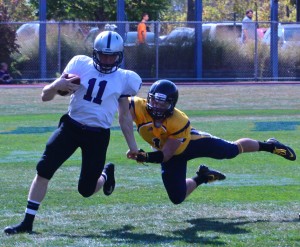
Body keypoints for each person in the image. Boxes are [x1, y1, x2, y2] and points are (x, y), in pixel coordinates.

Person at [4, 30, 142, 235]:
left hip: (98, 135)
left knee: (86, 190)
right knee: (44, 169)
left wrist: (133, 147)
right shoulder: (80, 64)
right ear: (95, 52)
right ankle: (27, 222)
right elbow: (45, 96)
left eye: (110, 55)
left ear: (119, 55)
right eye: (102, 54)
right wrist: (55, 85)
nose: (106, 59)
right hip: (71, 127)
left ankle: (105, 174)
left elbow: (124, 117)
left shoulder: (125, 79)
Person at [126, 79, 296, 205]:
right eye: (154, 100)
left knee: (231, 150)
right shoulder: (137, 106)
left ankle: (270, 146)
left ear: (171, 105)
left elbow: (166, 155)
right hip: (169, 155)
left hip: (191, 144)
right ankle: (203, 177)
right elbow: (119, 104)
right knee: (177, 198)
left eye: (161, 103)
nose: (156, 106)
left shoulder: (178, 121)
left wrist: (145, 157)